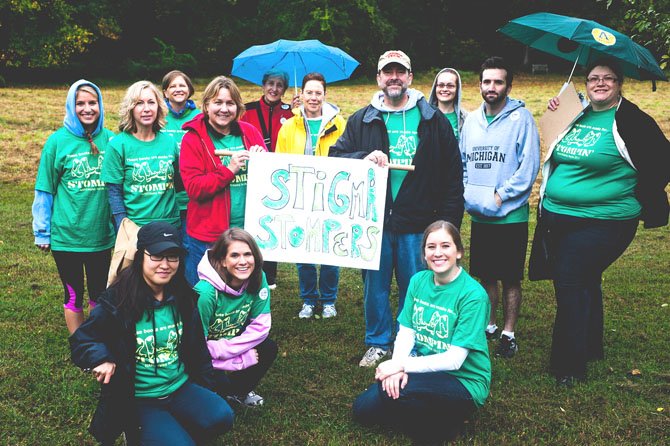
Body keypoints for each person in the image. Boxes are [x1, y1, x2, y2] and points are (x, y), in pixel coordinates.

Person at [330, 50, 464, 367]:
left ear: (410, 78)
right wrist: (362, 157)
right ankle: (378, 341)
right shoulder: (363, 119)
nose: (394, 77)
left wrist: (447, 226)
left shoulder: (434, 120)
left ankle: (412, 342)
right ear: (378, 78)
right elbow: (336, 159)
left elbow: (452, 176)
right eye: (387, 72)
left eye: (400, 72)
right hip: (374, 222)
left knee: (415, 286)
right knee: (374, 287)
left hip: (419, 222)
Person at [541, 58, 669, 386]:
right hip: (558, 216)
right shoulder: (576, 112)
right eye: (594, 78)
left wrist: (638, 194)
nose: (600, 83)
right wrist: (556, 112)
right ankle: (590, 347)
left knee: (570, 280)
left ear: (619, 83)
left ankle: (568, 366)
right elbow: (550, 143)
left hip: (606, 220)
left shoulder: (631, 119)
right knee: (585, 280)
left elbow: (663, 161)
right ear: (585, 83)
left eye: (608, 79)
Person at [69, 222, 234, 445]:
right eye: (156, 256)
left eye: (172, 256)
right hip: (141, 399)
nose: (165, 265)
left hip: (180, 388)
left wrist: (207, 388)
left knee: (222, 416)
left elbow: (197, 349)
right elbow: (83, 339)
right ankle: (138, 432)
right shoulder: (118, 300)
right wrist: (101, 358)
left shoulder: (184, 296)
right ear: (141, 256)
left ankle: (172, 426)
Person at [352, 220, 490, 443]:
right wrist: (396, 369)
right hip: (426, 370)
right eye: (431, 247)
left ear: (459, 252)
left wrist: (402, 365)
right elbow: (406, 332)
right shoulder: (418, 281)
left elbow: (455, 360)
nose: (438, 253)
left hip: (464, 380)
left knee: (398, 394)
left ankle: (445, 425)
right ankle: (436, 414)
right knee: (362, 410)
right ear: (424, 253)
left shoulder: (473, 295)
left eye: (446, 246)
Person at [459, 56, 540, 358]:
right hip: (480, 215)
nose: (491, 87)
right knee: (486, 275)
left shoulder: (522, 119)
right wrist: (470, 193)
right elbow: (463, 162)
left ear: (508, 85)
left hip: (510, 216)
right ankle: (489, 325)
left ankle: (509, 332)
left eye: (498, 82)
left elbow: (528, 168)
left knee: (510, 277)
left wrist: (501, 196)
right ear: (479, 84)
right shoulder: (472, 122)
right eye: (487, 81)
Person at [32, 79, 115, 334]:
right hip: (66, 236)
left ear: (100, 105)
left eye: (93, 103)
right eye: (80, 103)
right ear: (71, 105)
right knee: (73, 295)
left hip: (101, 236)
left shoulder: (111, 140)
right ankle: (80, 345)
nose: (87, 108)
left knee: (99, 294)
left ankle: (97, 343)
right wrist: (42, 231)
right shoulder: (57, 142)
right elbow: (45, 189)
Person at [179, 76, 266, 286]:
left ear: (238, 107)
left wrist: (263, 160)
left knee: (243, 289)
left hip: (247, 230)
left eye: (230, 103)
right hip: (209, 234)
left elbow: (267, 182)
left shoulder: (250, 133)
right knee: (205, 292)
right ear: (206, 105)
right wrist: (229, 169)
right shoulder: (193, 139)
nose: (224, 109)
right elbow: (194, 188)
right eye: (218, 102)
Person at [276, 72, 346, 319]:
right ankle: (308, 299)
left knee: (329, 250)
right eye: (309, 92)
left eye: (318, 93)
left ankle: (328, 300)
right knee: (303, 251)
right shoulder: (288, 126)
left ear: (325, 95)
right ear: (301, 94)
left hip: (329, 198)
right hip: (299, 197)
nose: (314, 97)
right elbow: (279, 160)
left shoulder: (339, 124)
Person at [195, 228, 278, 407]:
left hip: (226, 343)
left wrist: (230, 351)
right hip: (204, 354)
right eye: (234, 255)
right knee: (218, 399)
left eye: (248, 254)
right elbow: (195, 349)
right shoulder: (205, 293)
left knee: (268, 348)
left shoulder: (258, 277)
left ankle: (238, 393)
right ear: (222, 261)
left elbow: (261, 327)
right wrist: (235, 360)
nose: (243, 262)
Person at [240, 69, 295, 290]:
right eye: (270, 83)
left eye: (279, 85)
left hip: (280, 174)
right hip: (252, 171)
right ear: (263, 85)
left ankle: (269, 274)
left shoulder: (291, 112)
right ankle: (250, 268)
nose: (274, 88)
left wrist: (297, 111)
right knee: (253, 221)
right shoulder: (248, 109)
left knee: (273, 221)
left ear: (285, 89)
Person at [102, 80, 180, 230]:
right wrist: (122, 226)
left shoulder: (170, 142)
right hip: (135, 227)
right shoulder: (117, 145)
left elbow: (179, 182)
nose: (146, 109)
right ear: (130, 108)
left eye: (151, 102)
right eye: (139, 103)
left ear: (159, 106)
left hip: (169, 225)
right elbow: (114, 193)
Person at [161, 70, 201, 237]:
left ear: (189, 89)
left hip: (192, 198)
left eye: (182, 85)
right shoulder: (159, 116)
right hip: (166, 196)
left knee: (189, 245)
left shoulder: (200, 116)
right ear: (165, 92)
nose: (178, 89)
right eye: (173, 86)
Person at [428, 68, 468, 140]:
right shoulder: (424, 116)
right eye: (441, 85)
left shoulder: (466, 119)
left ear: (457, 89)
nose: (445, 89)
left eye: (450, 86)